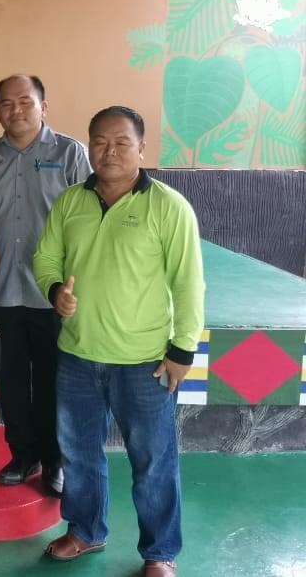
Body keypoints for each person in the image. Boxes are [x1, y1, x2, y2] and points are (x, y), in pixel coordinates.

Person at [34, 106, 204, 577]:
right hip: (77, 356)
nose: (109, 151)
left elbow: (189, 283)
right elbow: (45, 258)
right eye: (100, 142)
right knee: (78, 455)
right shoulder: (70, 201)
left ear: (141, 149)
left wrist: (182, 350)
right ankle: (85, 531)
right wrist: (55, 291)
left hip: (145, 361)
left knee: (153, 462)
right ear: (88, 146)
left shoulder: (168, 206)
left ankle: (160, 552)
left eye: (122, 142)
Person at [0, 74, 91, 495]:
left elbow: (89, 219)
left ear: (44, 106)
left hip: (54, 293)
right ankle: (23, 456)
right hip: (0, 289)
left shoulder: (70, 154)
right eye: (6, 103)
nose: (16, 109)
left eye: (25, 101)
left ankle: (56, 460)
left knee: (55, 381)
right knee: (11, 380)